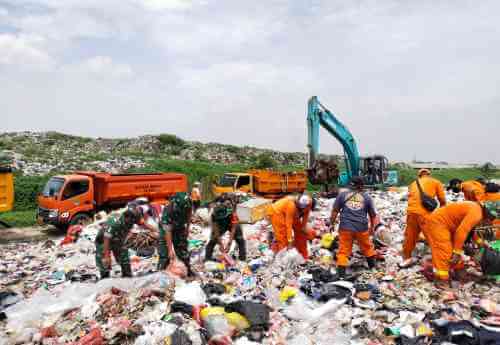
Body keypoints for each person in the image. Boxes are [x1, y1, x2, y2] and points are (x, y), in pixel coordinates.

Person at [422, 201, 500, 286]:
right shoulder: (476, 214)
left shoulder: (477, 211)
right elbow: (462, 231)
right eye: (492, 218)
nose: (491, 221)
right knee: (444, 251)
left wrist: (480, 242)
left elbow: (470, 230)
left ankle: (458, 270)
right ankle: (442, 280)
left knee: (453, 250)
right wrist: (457, 252)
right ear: (488, 213)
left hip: (448, 225)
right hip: (438, 223)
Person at [330, 176, 378, 278]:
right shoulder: (367, 197)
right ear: (361, 186)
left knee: (343, 250)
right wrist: (372, 228)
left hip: (345, 227)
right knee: (367, 247)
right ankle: (373, 268)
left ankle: (341, 274)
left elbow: (335, 211)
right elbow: (373, 215)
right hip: (361, 227)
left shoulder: (342, 195)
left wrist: (331, 224)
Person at [402, 169, 446, 265]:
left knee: (410, 236)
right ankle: (438, 261)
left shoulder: (413, 183)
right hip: (424, 214)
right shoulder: (435, 182)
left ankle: (406, 257)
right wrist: (442, 211)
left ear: (419, 175)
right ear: (429, 175)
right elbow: (442, 199)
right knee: (431, 237)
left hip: (411, 212)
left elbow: (410, 197)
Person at [95, 204, 143, 279]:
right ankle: (105, 278)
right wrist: (107, 256)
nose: (133, 223)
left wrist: (156, 231)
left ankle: (127, 277)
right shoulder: (115, 223)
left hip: (118, 240)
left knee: (124, 259)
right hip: (103, 241)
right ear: (127, 218)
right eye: (132, 221)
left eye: (134, 221)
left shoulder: (132, 219)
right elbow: (106, 238)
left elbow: (143, 223)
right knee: (104, 262)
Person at [157, 192, 195, 276]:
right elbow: (167, 231)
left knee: (183, 250)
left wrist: (188, 228)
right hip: (166, 230)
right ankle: (160, 275)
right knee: (165, 254)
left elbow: (189, 214)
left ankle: (187, 271)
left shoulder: (188, 202)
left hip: (180, 227)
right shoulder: (168, 210)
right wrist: (170, 249)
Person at [205, 197, 246, 262]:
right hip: (220, 223)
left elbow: (233, 227)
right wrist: (220, 244)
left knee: (240, 238)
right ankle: (207, 259)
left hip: (230, 221)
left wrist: (229, 244)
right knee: (213, 239)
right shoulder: (214, 214)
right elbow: (216, 230)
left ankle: (242, 259)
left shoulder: (231, 211)